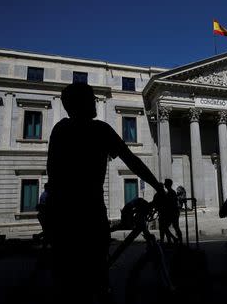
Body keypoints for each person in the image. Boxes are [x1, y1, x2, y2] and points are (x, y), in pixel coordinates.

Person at [47, 83, 164, 303]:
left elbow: (52, 171)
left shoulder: (60, 129)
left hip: (59, 208)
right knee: (96, 275)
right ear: (80, 103)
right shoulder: (98, 130)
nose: (94, 102)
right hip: (88, 210)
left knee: (68, 277)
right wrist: (158, 187)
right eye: (91, 98)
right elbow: (132, 160)